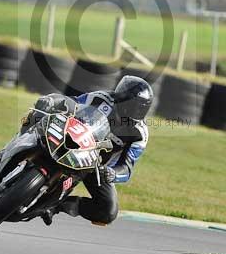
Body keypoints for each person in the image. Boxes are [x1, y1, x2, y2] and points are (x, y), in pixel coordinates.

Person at [9, 75, 153, 226]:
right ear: (121, 98)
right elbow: (72, 102)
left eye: (140, 107)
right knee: (38, 115)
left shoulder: (140, 134)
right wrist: (53, 101)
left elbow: (127, 168)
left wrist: (113, 173)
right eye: (132, 105)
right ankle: (14, 145)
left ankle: (54, 206)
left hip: (94, 166)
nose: (134, 111)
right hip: (69, 137)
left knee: (108, 211)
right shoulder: (100, 98)